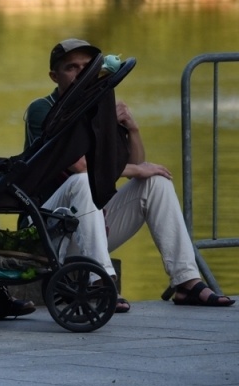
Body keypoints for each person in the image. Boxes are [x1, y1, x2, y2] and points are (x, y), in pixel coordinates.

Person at [25, 39, 231, 309]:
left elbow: (136, 166)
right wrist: (136, 169)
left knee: (155, 181)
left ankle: (186, 282)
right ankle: (102, 281)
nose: (81, 73)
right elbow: (81, 166)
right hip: (46, 230)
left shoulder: (100, 105)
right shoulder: (43, 109)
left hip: (90, 229)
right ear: (55, 76)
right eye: (71, 67)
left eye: (87, 67)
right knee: (83, 181)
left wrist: (132, 129)